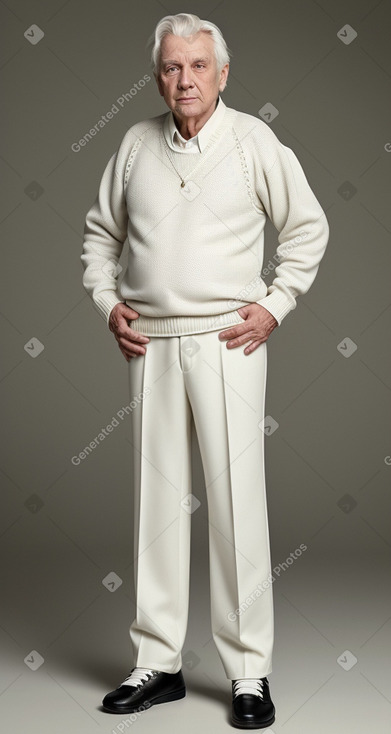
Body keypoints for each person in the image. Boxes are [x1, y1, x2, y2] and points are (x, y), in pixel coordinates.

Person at [80, 12, 329, 729]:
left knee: (235, 507)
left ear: (222, 73)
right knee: (155, 512)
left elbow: (307, 226)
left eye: (196, 66)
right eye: (169, 67)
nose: (182, 79)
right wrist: (107, 302)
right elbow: (101, 234)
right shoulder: (133, 144)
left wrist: (275, 304)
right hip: (149, 342)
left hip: (228, 342)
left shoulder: (252, 141)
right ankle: (157, 663)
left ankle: (248, 672)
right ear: (156, 74)